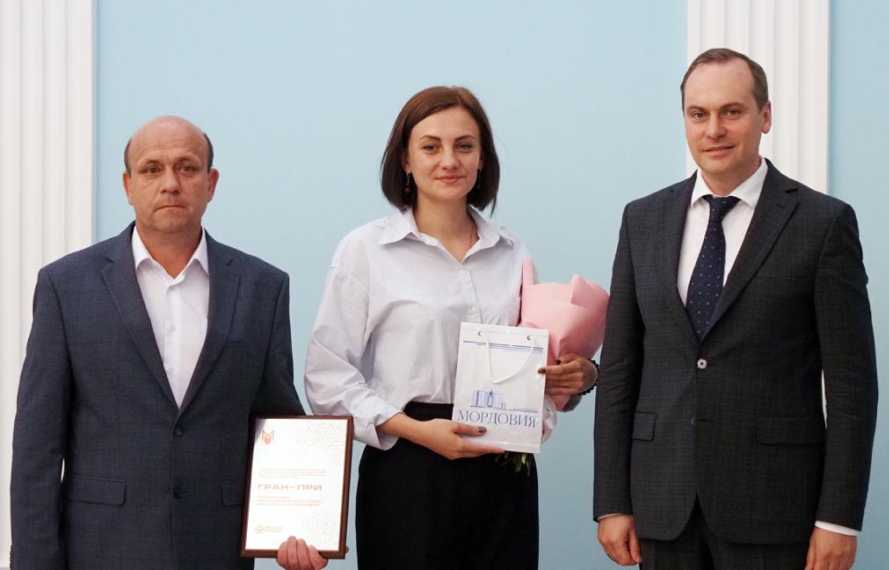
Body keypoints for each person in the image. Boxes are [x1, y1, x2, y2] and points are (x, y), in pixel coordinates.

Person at [593, 48, 877, 570]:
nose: (714, 130)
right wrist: (612, 501)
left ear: (765, 116)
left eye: (732, 112)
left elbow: (852, 385)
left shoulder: (823, 224)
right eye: (698, 114)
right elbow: (619, 371)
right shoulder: (642, 220)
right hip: (662, 504)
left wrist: (839, 519)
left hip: (775, 507)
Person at [10, 116, 325, 570]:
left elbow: (277, 420)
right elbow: (37, 446)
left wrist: (301, 527)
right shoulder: (67, 285)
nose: (171, 183)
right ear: (128, 185)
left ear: (211, 183)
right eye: (152, 169)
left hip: (217, 549)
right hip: (101, 549)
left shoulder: (262, 287)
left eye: (187, 167)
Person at [304, 86, 595, 570]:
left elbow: (536, 366)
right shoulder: (365, 251)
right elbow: (327, 378)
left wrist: (565, 381)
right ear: (405, 159)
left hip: (504, 472)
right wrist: (417, 431)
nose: (449, 160)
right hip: (407, 470)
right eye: (430, 146)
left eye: (464, 146)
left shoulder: (513, 253)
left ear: (482, 158)